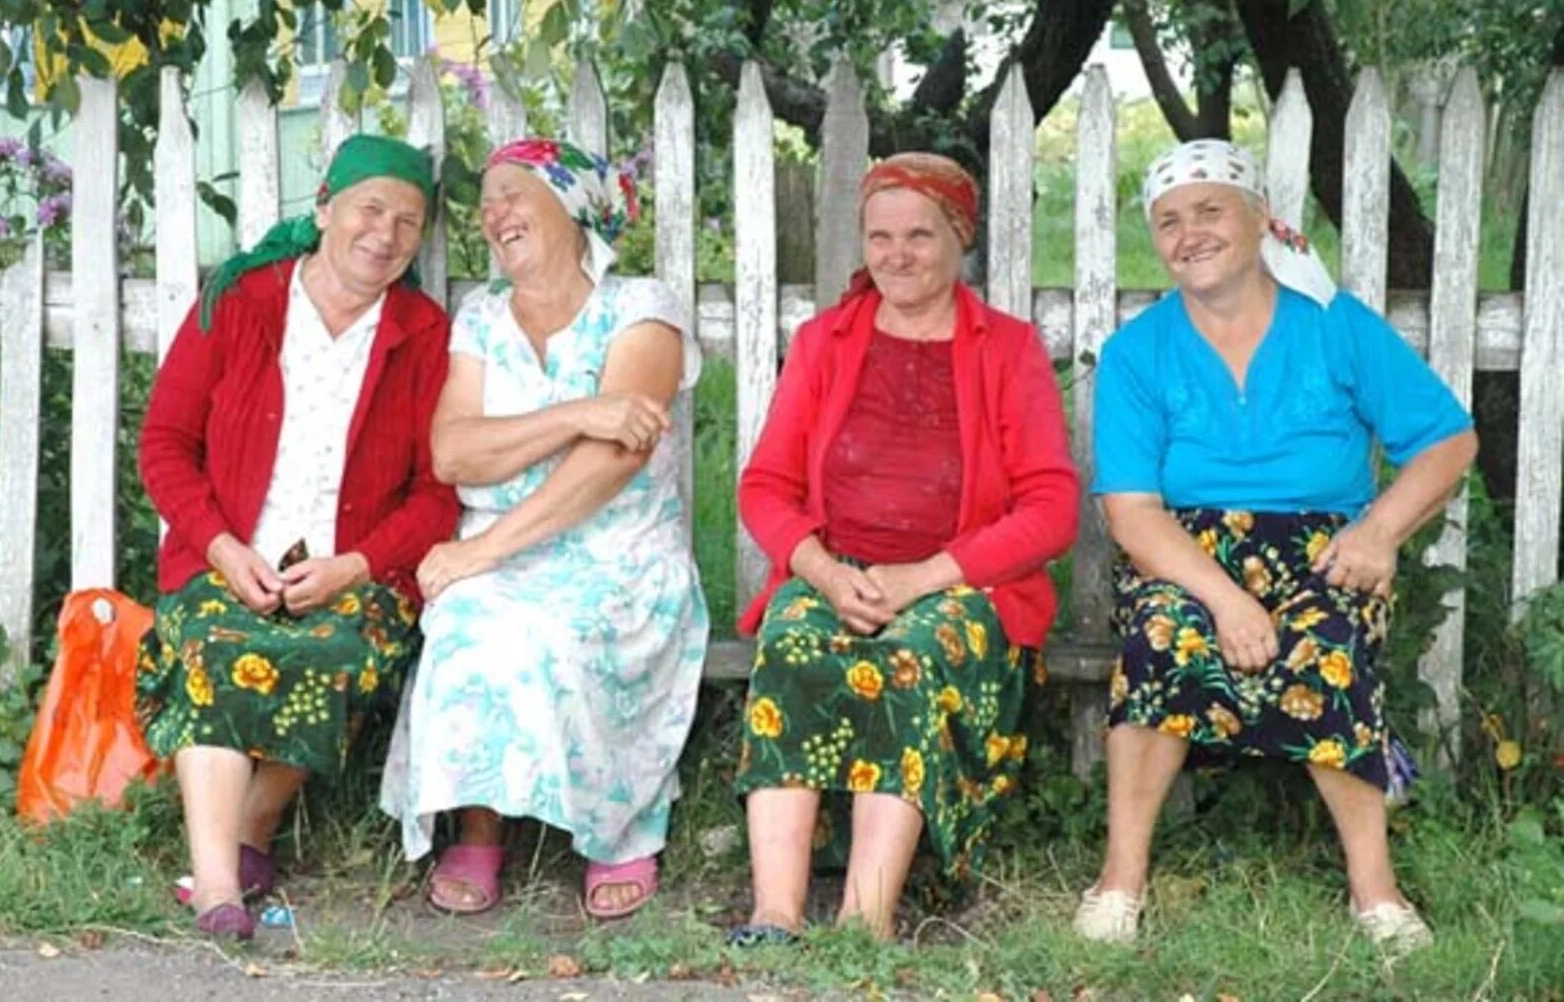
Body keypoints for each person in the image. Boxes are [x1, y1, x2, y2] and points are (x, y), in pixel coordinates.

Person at [1076, 138, 1476, 954]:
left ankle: (1377, 892)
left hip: (1326, 548)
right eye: (1169, 222)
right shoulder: (1136, 352)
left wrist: (1380, 529)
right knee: (1159, 638)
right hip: (1184, 555)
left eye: (1210, 211)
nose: (1190, 234)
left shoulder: (1335, 327)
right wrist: (1225, 598)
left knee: (1325, 643)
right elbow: (1131, 512)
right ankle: (1120, 882)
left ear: (1260, 218)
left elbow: (1447, 440)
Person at [728, 153, 1080, 943]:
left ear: (961, 238)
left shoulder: (1008, 348)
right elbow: (765, 487)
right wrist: (821, 569)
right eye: (880, 236)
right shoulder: (826, 342)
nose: (897, 254)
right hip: (836, 569)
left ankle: (865, 920)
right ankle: (775, 913)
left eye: (920, 234)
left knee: (910, 657)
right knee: (789, 642)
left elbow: (1053, 508)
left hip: (962, 585)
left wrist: (925, 576)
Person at [136, 134, 460, 941]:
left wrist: (356, 565)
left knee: (333, 652)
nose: (384, 234)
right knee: (215, 644)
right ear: (325, 208)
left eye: (408, 223)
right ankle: (220, 889)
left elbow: (436, 494)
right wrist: (219, 545)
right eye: (369, 209)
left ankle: (251, 829)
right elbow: (164, 445)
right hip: (229, 557)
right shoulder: (240, 303)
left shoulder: (423, 333)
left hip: (356, 572)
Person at [378, 137, 709, 921]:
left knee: (561, 624)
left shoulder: (642, 309)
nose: (496, 215)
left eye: (515, 193)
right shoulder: (482, 319)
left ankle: (618, 824)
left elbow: (613, 460)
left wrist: (482, 548)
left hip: (619, 552)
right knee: (469, 616)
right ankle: (479, 823)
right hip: (498, 549)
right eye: (487, 201)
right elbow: (454, 450)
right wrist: (578, 410)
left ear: (574, 205)